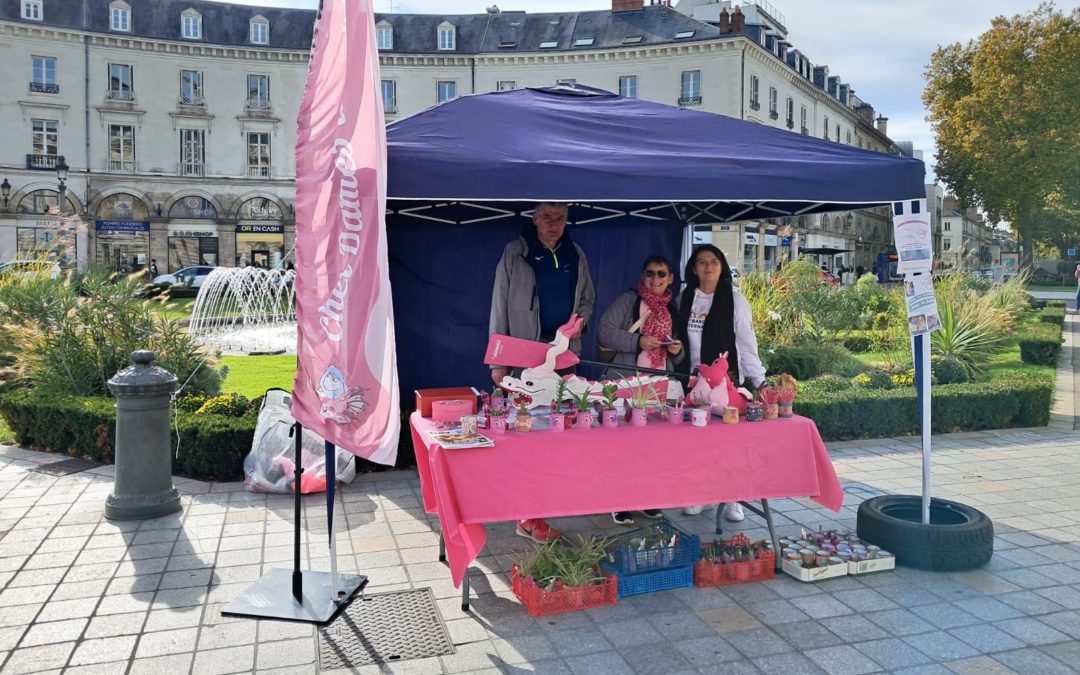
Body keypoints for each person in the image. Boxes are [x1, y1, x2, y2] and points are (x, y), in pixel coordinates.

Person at [489, 202, 595, 543]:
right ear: (533, 219)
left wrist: (580, 323)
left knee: (564, 432)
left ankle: (552, 501)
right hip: (525, 358)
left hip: (565, 357)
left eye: (560, 218)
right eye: (547, 217)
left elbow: (587, 300)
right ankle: (528, 515)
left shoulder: (575, 253)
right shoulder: (516, 252)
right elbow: (499, 304)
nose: (554, 224)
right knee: (527, 438)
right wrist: (498, 361)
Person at [675, 244, 767, 522]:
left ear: (722, 266)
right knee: (698, 442)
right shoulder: (685, 298)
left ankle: (733, 499)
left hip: (726, 383)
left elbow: (747, 344)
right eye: (702, 262)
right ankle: (703, 495)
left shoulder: (735, 300)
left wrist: (760, 381)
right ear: (693, 268)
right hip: (693, 382)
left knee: (729, 443)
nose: (708, 267)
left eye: (714, 261)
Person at [598, 254, 684, 526]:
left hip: (658, 386)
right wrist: (637, 341)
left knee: (652, 447)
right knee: (622, 445)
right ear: (642, 276)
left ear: (670, 278)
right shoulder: (629, 300)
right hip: (627, 382)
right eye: (650, 273)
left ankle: (647, 499)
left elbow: (681, 357)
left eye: (661, 274)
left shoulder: (675, 308)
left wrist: (677, 351)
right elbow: (604, 332)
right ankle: (619, 501)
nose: (655, 278)